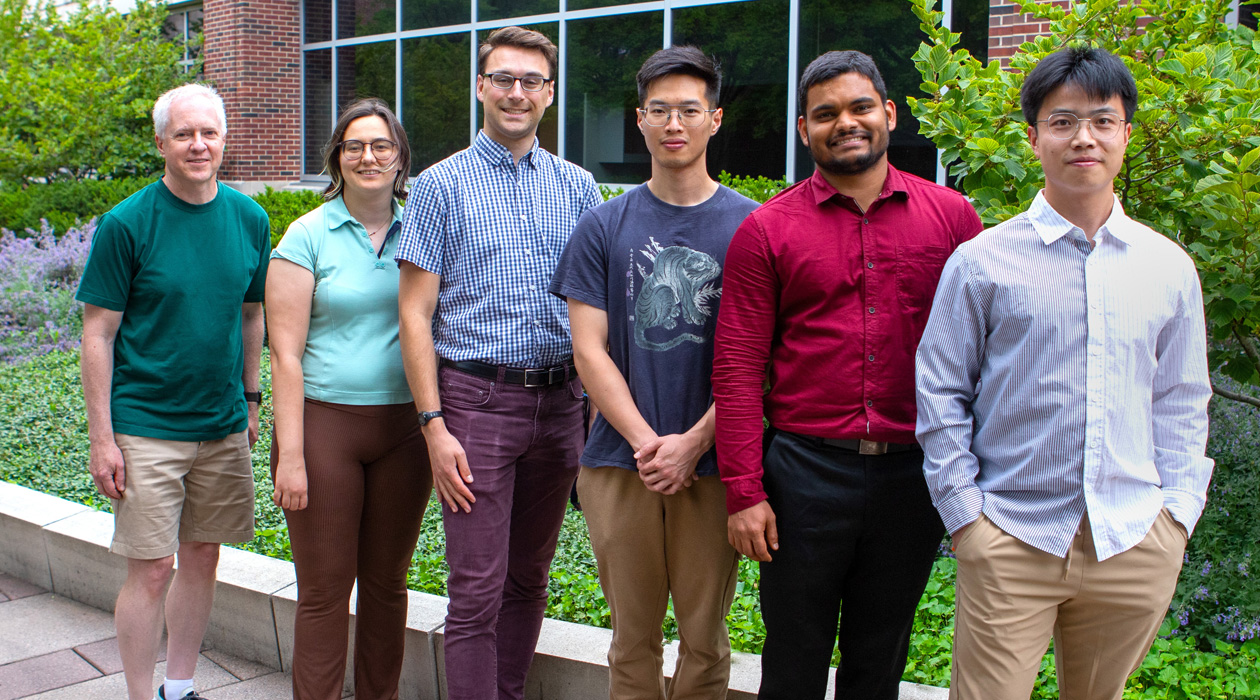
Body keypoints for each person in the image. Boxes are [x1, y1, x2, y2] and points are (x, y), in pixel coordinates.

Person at [915, 46, 1214, 700]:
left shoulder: (1168, 268)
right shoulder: (982, 263)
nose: (1084, 137)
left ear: (1125, 134)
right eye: (1063, 121)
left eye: (1103, 121)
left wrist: (1177, 518)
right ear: (1034, 137)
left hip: (1133, 542)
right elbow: (940, 396)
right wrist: (968, 521)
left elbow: (1183, 401)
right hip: (1012, 539)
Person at [711, 50, 983, 699]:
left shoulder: (952, 220)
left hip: (912, 478)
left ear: (888, 113)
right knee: (793, 655)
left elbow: (986, 356)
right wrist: (745, 491)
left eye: (860, 107)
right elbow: (739, 366)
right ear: (804, 129)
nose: (846, 123)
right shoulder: (766, 230)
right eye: (826, 113)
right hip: (804, 475)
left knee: (880, 655)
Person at [394, 26, 601, 700]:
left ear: (549, 94)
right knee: (477, 588)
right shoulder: (438, 186)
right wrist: (433, 425)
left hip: (563, 406)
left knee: (528, 578)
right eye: (503, 78)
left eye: (531, 81)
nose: (517, 92)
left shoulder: (578, 187)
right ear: (481, 87)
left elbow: (594, 311)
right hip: (477, 407)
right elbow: (414, 314)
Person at [550, 46, 758, 699]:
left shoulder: (754, 226)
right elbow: (590, 351)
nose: (674, 123)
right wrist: (649, 443)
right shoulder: (602, 225)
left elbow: (762, 359)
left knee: (706, 638)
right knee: (630, 639)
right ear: (640, 120)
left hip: (716, 462)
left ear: (715, 119)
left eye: (689, 110)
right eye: (659, 110)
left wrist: (694, 442)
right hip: (619, 462)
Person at [76, 83, 269, 700]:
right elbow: (98, 335)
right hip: (145, 425)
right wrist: (102, 439)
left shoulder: (250, 218)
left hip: (220, 424)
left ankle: (178, 687)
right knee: (153, 567)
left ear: (224, 139)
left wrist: (252, 399)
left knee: (204, 555)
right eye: (184, 134)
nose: (198, 144)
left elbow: (250, 314)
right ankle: (139, 694)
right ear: (161, 142)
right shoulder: (127, 223)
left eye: (208, 132)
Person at [266, 98, 431, 700]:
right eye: (354, 145)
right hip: (325, 426)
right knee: (325, 589)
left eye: (381, 146)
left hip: (407, 431)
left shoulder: (426, 226)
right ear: (337, 155)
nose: (368, 156)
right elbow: (284, 354)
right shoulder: (306, 234)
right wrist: (291, 455)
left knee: (388, 584)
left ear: (399, 158)